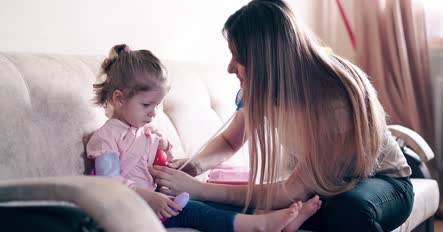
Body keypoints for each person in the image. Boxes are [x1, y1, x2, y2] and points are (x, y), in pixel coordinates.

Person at [149, 0, 415, 232]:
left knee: (348, 209)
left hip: (381, 182)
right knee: (206, 207)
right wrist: (191, 169)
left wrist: (201, 188)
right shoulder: (262, 89)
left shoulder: (335, 99)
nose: (230, 68)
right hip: (324, 187)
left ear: (266, 60)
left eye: (237, 57)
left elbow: (293, 191)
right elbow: (231, 141)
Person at [87, 44, 321, 232]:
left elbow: (149, 164)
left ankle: (274, 219)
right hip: (136, 209)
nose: (153, 112)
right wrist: (151, 198)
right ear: (118, 99)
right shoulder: (106, 138)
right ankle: (258, 226)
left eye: (157, 105)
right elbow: (111, 184)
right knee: (196, 212)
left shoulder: (145, 130)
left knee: (210, 205)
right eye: (147, 105)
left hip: (158, 200)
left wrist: (167, 155)